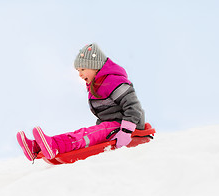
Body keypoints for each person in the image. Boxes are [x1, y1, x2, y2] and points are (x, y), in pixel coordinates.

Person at [17, 43, 145, 161]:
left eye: (83, 69)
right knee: (83, 132)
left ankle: (55, 146)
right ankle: (36, 147)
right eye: (78, 70)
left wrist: (126, 132)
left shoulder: (114, 81)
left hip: (124, 125)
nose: (79, 74)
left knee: (87, 135)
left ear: (95, 67)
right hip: (112, 125)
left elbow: (134, 107)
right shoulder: (97, 85)